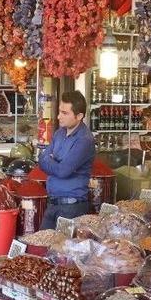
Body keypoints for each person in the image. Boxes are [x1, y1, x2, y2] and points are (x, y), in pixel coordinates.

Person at [38, 90, 95, 230]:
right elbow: (41, 159)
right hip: (52, 203)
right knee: (41, 246)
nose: (58, 117)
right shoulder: (59, 133)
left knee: (61, 250)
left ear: (79, 116)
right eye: (59, 111)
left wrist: (51, 161)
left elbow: (63, 171)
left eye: (65, 113)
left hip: (72, 208)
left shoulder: (84, 140)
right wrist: (53, 162)